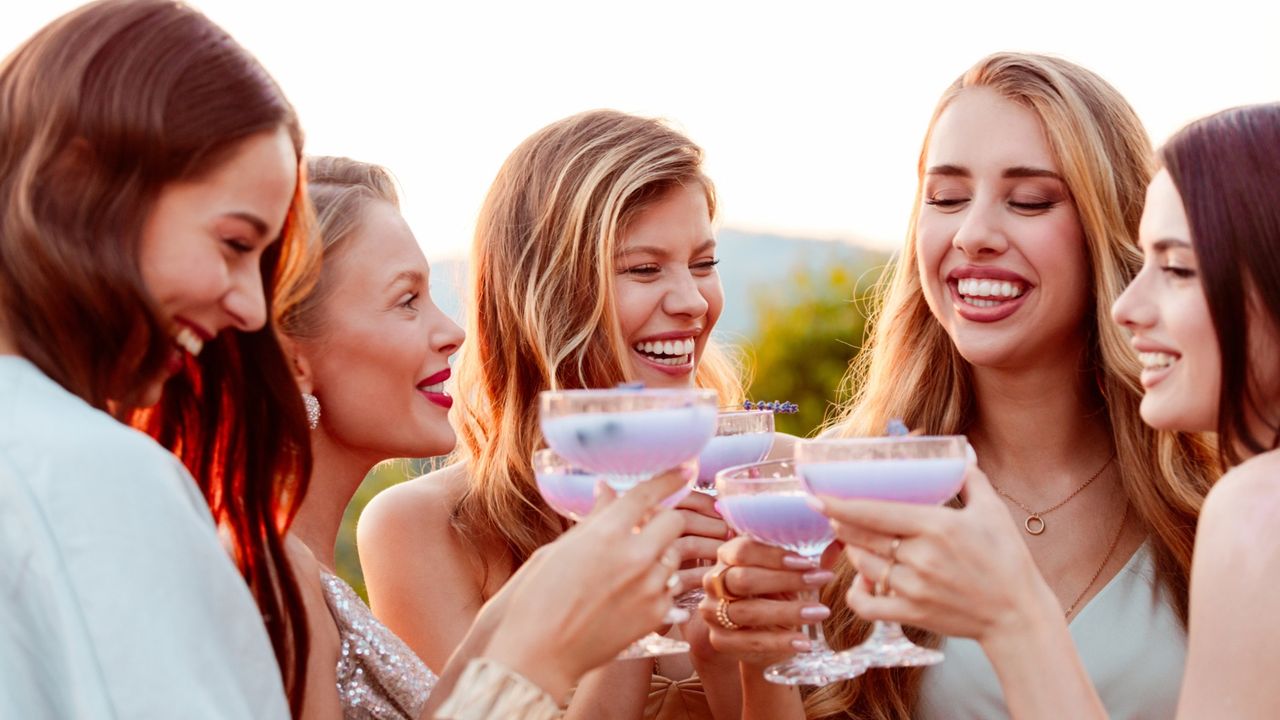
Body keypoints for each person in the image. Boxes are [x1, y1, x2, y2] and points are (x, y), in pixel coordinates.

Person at [699, 52, 1217, 720]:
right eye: (945, 198)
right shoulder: (841, 494)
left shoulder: (1212, 496)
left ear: (1111, 227)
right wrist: (760, 661)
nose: (973, 235)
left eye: (1029, 200)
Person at [269, 155, 697, 718]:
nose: (452, 332)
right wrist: (559, 649)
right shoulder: (281, 579)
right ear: (293, 355)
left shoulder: (307, 575)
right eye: (406, 301)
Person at [359, 110, 747, 719]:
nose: (694, 302)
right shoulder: (424, 527)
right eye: (645, 269)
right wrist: (626, 588)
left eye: (703, 264)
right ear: (548, 294)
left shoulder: (763, 485)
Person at [0, 0, 314, 716]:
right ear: (77, 184)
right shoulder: (81, 472)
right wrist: (517, 667)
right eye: (236, 244)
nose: (253, 310)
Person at [1111, 103, 1280, 719]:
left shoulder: (1258, 509)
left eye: (1177, 268)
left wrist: (1012, 618)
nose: (1126, 307)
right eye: (1142, 263)